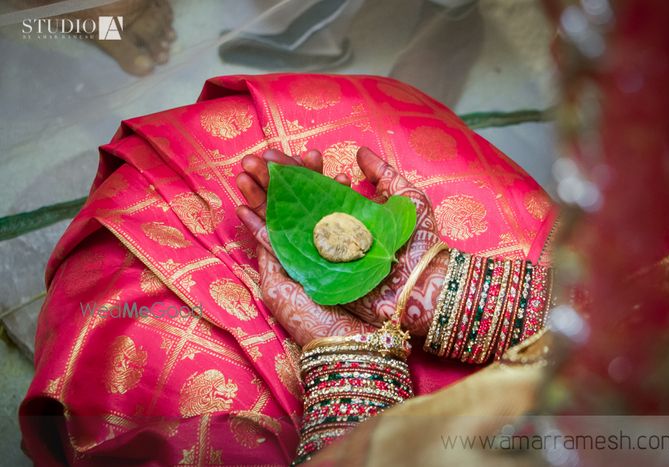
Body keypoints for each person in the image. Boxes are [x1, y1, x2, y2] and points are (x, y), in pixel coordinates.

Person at [19, 73, 557, 465]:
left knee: (138, 328)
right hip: (557, 334)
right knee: (327, 115)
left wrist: (347, 363)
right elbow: (629, 321)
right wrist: (443, 291)